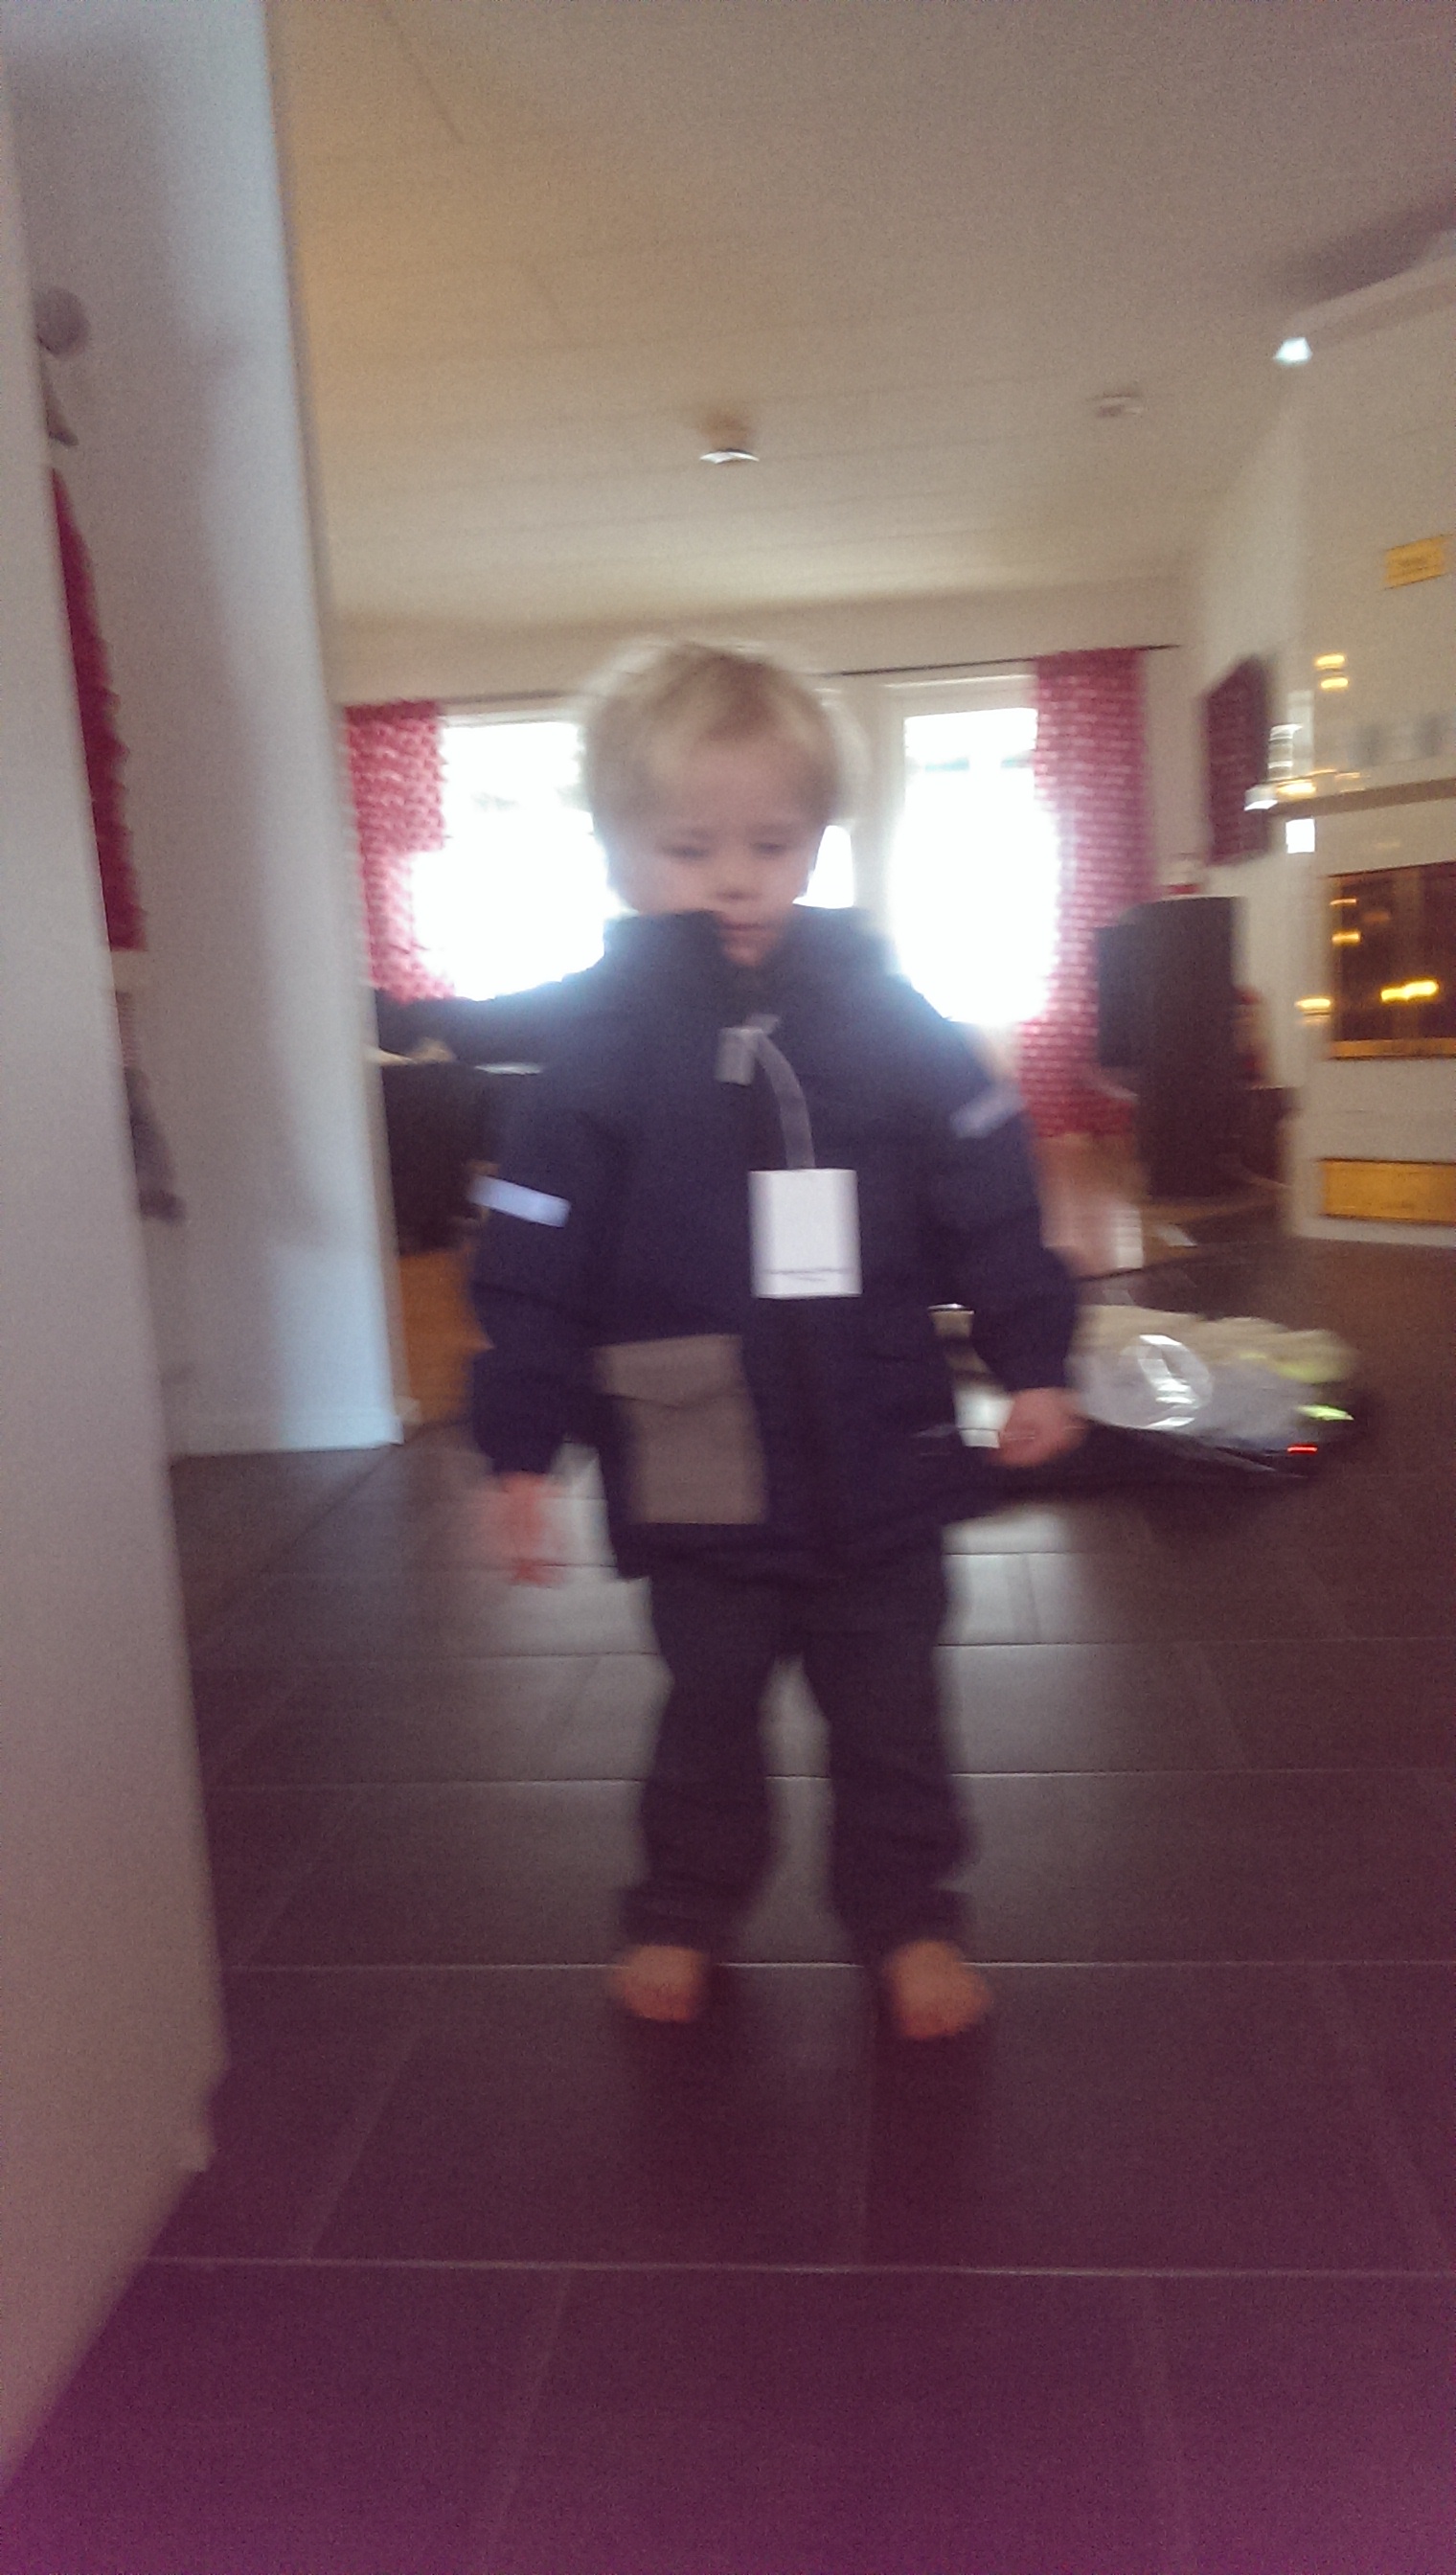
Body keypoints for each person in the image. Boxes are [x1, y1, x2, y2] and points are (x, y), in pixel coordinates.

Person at [469, 640, 1082, 2039]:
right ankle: (684, 1908)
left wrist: (1037, 1358)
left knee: (894, 1713)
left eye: (773, 842)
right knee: (708, 1709)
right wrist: (518, 1445)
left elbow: (989, 1197)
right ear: (617, 849)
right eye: (689, 849)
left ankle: (909, 1916)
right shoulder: (595, 1048)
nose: (736, 880)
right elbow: (533, 1261)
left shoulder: (888, 1017)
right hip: (692, 1446)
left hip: (884, 1440)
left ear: (818, 841)